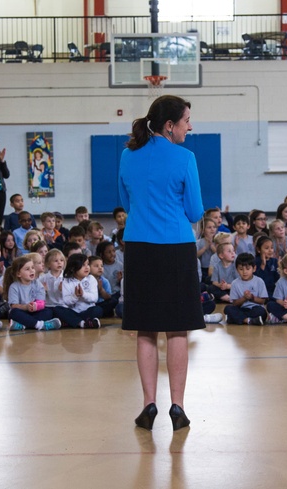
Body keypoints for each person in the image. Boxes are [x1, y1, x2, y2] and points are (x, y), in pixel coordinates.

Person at [119, 95, 204, 432]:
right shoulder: (185, 158)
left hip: (138, 245)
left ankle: (148, 404)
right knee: (177, 328)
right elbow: (196, 211)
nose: (190, 126)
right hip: (176, 246)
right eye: (186, 121)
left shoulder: (127, 155)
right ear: (170, 125)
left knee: (145, 329)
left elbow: (125, 201)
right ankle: (178, 407)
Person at [5, 255, 60, 331]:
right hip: (22, 312)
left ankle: (24, 325)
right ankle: (41, 325)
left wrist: (36, 306)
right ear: (18, 274)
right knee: (13, 313)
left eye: (32, 268)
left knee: (48, 312)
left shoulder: (37, 283)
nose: (32, 271)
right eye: (27, 269)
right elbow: (14, 305)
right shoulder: (14, 286)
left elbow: (41, 302)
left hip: (35, 312)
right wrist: (26, 307)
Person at [224, 253, 269, 325]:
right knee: (228, 309)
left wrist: (252, 298)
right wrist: (244, 298)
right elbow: (235, 303)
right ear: (237, 270)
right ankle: (248, 320)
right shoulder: (235, 283)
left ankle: (237, 319)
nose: (244, 272)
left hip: (254, 308)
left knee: (262, 312)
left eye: (248, 269)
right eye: (241, 269)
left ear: (254, 269)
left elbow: (262, 301)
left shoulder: (259, 281)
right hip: (241, 309)